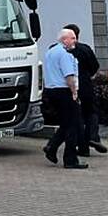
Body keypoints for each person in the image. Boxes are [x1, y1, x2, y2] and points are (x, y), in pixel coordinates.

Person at [42, 28, 87, 169]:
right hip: (63, 91)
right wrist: (74, 93)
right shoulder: (65, 54)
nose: (75, 41)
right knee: (73, 125)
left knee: (66, 123)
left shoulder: (50, 52)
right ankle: (70, 159)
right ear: (64, 39)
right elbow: (69, 76)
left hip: (50, 91)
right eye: (72, 38)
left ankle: (52, 147)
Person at [63, 23, 108, 156]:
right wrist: (87, 75)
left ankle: (83, 147)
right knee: (91, 112)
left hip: (69, 86)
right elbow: (94, 66)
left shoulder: (63, 51)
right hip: (85, 84)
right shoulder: (85, 49)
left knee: (77, 117)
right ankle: (93, 137)